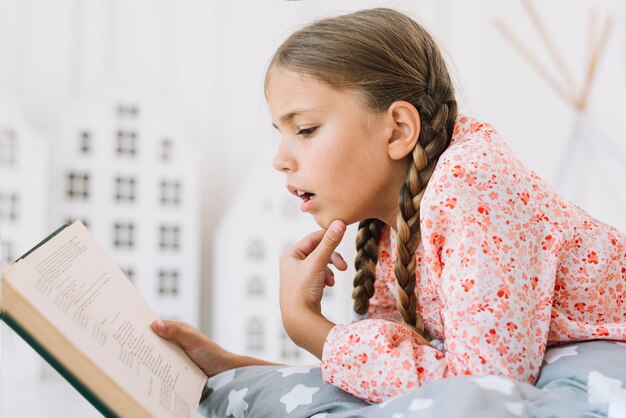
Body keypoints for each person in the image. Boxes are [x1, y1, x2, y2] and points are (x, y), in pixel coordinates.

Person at [152, 7, 626, 404]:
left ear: (399, 129)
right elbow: (406, 373)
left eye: (306, 129)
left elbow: (485, 393)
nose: (280, 160)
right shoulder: (391, 225)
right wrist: (239, 369)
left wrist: (309, 328)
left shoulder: (471, 184)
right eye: (280, 133)